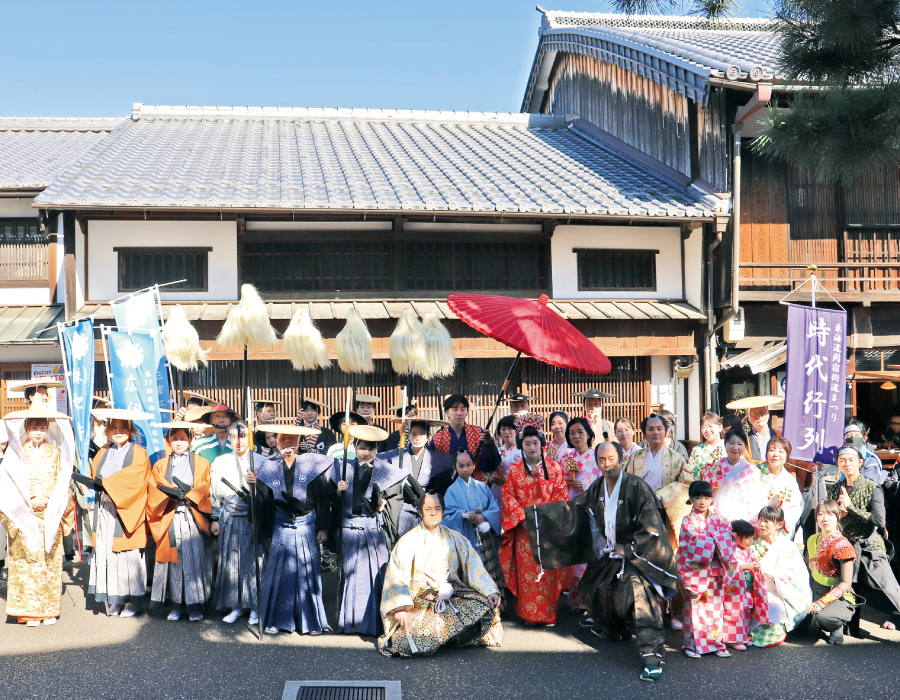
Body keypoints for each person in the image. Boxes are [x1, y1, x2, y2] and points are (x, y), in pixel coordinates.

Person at [524, 441, 678, 682]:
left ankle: (651, 655)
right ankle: (614, 629)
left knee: (640, 599)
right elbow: (576, 509)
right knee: (594, 588)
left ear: (621, 460)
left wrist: (627, 548)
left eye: (612, 459)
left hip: (636, 555)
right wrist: (540, 517)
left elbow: (652, 526)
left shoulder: (637, 487)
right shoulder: (597, 488)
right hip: (611, 553)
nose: (607, 465)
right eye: (602, 460)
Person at [378, 491, 502, 657]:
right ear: (420, 513)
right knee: (405, 643)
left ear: (443, 512)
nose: (432, 512)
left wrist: (490, 591)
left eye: (437, 508)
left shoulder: (454, 537)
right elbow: (397, 575)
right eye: (427, 509)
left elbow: (474, 566)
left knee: (485, 605)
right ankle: (447, 637)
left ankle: (449, 637)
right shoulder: (408, 541)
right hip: (420, 603)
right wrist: (400, 608)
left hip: (451, 597)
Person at [247, 425, 336, 635]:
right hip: (281, 526)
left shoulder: (312, 463)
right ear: (276, 442)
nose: (287, 443)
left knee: (308, 574)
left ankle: (310, 622)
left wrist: (323, 527)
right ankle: (277, 620)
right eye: (283, 439)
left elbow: (323, 499)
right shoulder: (267, 468)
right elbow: (264, 502)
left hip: (307, 525)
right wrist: (253, 486)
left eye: (291, 439)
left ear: (299, 441)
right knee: (279, 574)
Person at [0, 407, 76, 626]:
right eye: (34, 428)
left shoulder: (56, 453)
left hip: (50, 515)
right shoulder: (15, 453)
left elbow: (64, 482)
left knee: (49, 562)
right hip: (24, 516)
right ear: (26, 429)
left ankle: (49, 610)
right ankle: (27, 612)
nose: (39, 432)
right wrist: (29, 502)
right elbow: (8, 487)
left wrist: (53, 502)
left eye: (42, 427)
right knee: (26, 562)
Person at [333, 425, 406, 636]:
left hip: (372, 529)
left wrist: (384, 502)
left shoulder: (385, 470)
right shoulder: (343, 468)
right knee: (349, 576)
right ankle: (349, 623)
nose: (366, 452)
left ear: (377, 450)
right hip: (349, 527)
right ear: (354, 447)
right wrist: (338, 492)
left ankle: (373, 623)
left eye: (371, 448)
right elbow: (330, 500)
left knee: (374, 576)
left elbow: (396, 499)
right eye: (362, 447)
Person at [500, 426, 573, 626]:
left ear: (542, 444)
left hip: (548, 531)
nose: (532, 447)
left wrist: (545, 519)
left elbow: (561, 497)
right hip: (525, 531)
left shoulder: (555, 468)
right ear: (521, 446)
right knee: (527, 575)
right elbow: (508, 497)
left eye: (535, 443)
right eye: (527, 443)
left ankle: (548, 614)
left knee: (549, 572)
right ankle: (528, 614)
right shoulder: (514, 470)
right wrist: (525, 519)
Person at [826, 443, 900, 630]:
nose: (847, 464)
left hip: (869, 546)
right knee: (851, 589)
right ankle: (850, 629)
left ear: (860, 462)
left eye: (851, 460)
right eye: (842, 460)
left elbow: (878, 519)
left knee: (888, 588)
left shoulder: (873, 488)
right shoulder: (835, 489)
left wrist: (851, 508)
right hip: (846, 547)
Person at [87, 411, 152, 617]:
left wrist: (108, 483)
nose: (118, 432)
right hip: (106, 510)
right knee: (108, 554)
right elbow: (96, 476)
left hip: (127, 511)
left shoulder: (139, 453)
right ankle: (115, 599)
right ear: (107, 431)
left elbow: (137, 479)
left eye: (123, 428)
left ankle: (132, 601)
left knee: (128, 556)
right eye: (114, 428)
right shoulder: (103, 452)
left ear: (130, 431)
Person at [148, 425, 214, 622]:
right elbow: (155, 486)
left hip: (194, 515)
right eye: (174, 438)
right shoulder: (160, 465)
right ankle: (175, 605)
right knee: (173, 562)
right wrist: (172, 492)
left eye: (183, 438)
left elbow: (205, 485)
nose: (179, 442)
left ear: (190, 440)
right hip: (170, 514)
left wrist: (189, 494)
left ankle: (195, 606)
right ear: (168, 441)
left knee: (195, 560)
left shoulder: (202, 462)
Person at [209, 421, 265, 625]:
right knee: (232, 563)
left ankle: (255, 607)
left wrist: (256, 487)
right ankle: (235, 606)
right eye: (234, 436)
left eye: (242, 436)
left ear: (249, 437)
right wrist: (215, 518)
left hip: (252, 516)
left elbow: (268, 496)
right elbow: (214, 495)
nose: (238, 441)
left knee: (253, 563)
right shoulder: (221, 461)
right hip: (230, 515)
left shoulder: (261, 461)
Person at [678, 480, 738, 658]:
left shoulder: (719, 520)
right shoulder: (688, 522)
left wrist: (711, 538)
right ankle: (690, 644)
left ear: (712, 499)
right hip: (696, 572)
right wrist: (716, 538)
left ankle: (716, 643)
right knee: (694, 608)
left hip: (716, 569)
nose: (702, 501)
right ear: (690, 499)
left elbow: (730, 538)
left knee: (716, 608)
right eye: (697, 497)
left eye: (706, 497)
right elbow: (691, 544)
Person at [442, 448, 505, 600]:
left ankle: (493, 605)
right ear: (454, 468)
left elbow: (495, 507)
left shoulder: (482, 486)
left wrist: (483, 517)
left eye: (468, 465)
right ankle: (471, 603)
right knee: (468, 572)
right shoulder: (451, 490)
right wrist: (463, 515)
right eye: (461, 466)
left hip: (484, 538)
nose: (465, 469)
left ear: (474, 466)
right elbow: (447, 515)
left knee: (488, 569)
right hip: (465, 539)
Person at [749, 505, 812, 647]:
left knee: (773, 607)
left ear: (779, 524)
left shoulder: (788, 546)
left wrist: (767, 571)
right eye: (761, 520)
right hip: (756, 588)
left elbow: (794, 575)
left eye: (767, 521)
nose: (762, 524)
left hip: (779, 593)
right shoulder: (755, 543)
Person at [384, 419, 454, 537]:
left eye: (422, 434)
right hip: (403, 510)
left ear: (428, 436)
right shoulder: (397, 456)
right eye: (414, 434)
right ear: (408, 436)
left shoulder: (436, 459)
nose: (417, 437)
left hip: (427, 509)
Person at [804, 499, 858, 645]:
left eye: (830, 514)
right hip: (815, 588)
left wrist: (822, 602)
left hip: (837, 594)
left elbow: (846, 582)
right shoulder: (812, 539)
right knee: (796, 616)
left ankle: (838, 625)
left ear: (838, 517)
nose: (825, 518)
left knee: (821, 618)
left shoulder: (843, 545)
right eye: (821, 514)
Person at [702, 428, 769, 523]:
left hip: (742, 522)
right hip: (716, 521)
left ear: (745, 447)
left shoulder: (752, 471)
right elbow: (704, 494)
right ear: (725, 444)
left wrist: (749, 523)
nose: (735, 447)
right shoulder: (715, 468)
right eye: (732, 443)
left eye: (740, 444)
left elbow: (758, 500)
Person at [431, 394, 500, 480]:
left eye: (463, 409)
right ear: (447, 412)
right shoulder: (438, 438)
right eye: (455, 409)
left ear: (467, 412)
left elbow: (490, 467)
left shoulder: (479, 433)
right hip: (447, 488)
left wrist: (489, 444)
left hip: (475, 485)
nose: (459, 413)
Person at [729, 519, 768, 650]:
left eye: (752, 538)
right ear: (736, 537)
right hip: (734, 590)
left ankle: (743, 636)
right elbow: (728, 569)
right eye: (748, 538)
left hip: (747, 587)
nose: (751, 541)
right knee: (735, 613)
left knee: (746, 612)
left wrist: (756, 564)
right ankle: (733, 639)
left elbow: (753, 561)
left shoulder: (747, 550)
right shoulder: (731, 551)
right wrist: (745, 566)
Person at [758, 437, 803, 536]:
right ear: (766, 453)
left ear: (787, 456)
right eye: (772, 450)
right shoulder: (754, 473)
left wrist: (780, 520)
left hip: (777, 530)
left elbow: (795, 507)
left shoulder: (790, 480)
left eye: (781, 451)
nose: (776, 455)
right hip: (756, 526)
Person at [686, 412, 726, 482]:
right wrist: (701, 474)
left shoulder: (729, 447)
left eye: (710, 426)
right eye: (704, 427)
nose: (707, 430)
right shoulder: (697, 450)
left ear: (720, 427)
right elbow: (688, 473)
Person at [493, 415, 519, 502]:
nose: (506, 432)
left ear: (517, 431)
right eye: (503, 429)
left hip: (515, 494)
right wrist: (491, 479)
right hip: (497, 492)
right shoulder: (497, 451)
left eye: (510, 428)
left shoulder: (522, 452)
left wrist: (506, 481)